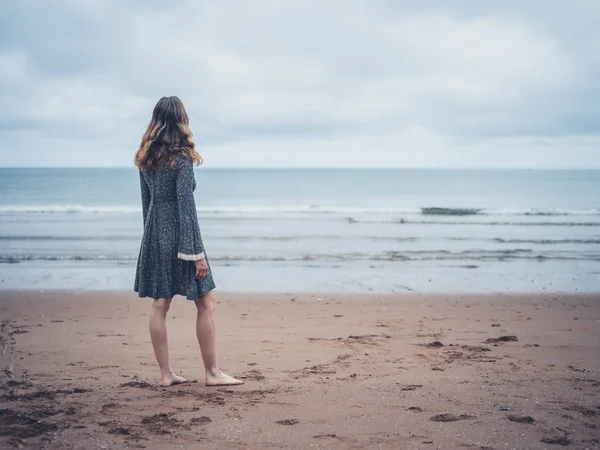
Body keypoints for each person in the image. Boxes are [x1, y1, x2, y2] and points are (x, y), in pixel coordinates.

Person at [133, 96, 243, 387]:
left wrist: (151, 242)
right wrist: (197, 254)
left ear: (156, 122)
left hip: (155, 236)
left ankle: (166, 375)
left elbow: (147, 204)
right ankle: (212, 373)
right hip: (183, 238)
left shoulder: (145, 159)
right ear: (182, 121)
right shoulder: (181, 159)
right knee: (206, 300)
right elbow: (186, 208)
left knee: (160, 303)